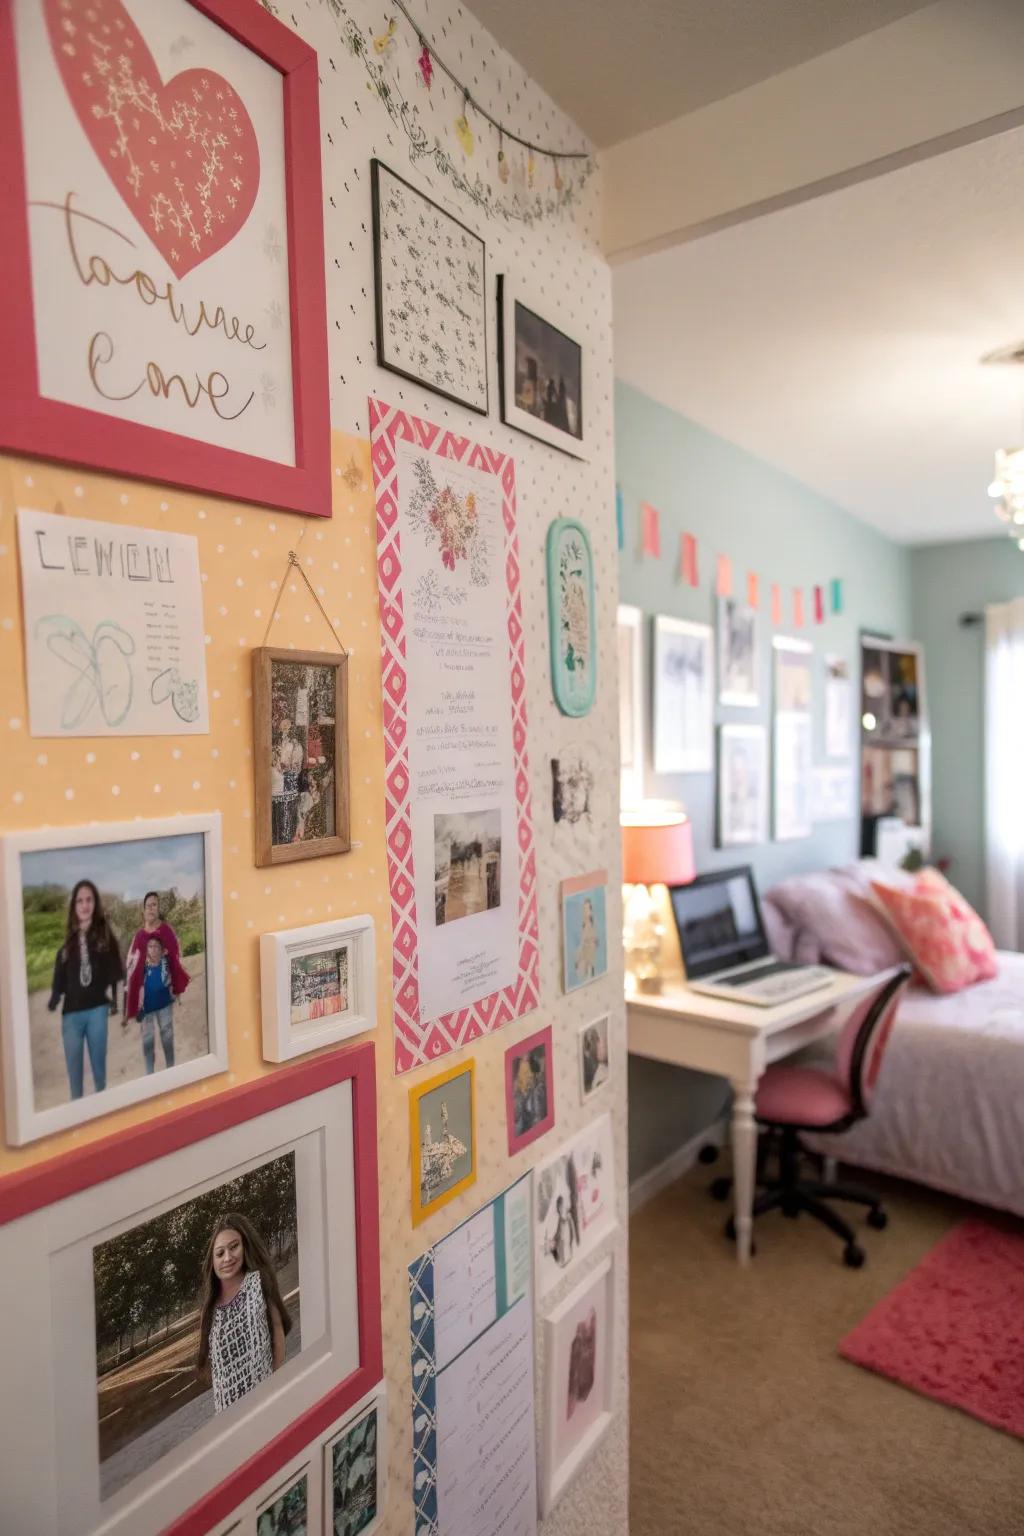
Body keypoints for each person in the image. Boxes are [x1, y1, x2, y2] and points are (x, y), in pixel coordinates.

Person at [196, 1212, 292, 1414]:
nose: (228, 1258)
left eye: (234, 1247)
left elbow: (277, 1330)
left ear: (245, 1246)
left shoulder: (258, 1282)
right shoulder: (210, 1309)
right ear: (212, 1262)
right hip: (228, 1412)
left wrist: (275, 1382)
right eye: (220, 1253)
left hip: (265, 1399)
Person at [47, 878, 124, 1100]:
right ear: (74, 906)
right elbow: (60, 972)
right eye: (79, 900)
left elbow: (114, 967)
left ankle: (100, 1108)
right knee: (75, 1075)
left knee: (99, 1071)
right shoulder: (67, 944)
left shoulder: (104, 936)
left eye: (89, 899)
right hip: (71, 1016)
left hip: (97, 1012)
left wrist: (115, 998)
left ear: (95, 903)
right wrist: (54, 996)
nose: (84, 904)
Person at [124, 890, 191, 1026]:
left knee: (166, 1033)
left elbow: (175, 958)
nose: (151, 908)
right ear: (144, 910)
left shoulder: (166, 931)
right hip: (145, 998)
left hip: (164, 994)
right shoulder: (139, 935)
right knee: (147, 1038)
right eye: (148, 906)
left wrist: (175, 988)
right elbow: (131, 962)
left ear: (158, 908)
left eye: (154, 905)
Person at [134, 934, 178, 1073]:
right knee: (148, 1041)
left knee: (167, 1037)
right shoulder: (142, 966)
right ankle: (149, 1073)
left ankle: (171, 1067)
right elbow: (136, 985)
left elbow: (176, 979)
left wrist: (174, 992)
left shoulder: (167, 963)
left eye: (156, 947)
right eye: (150, 947)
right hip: (147, 1009)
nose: (152, 949)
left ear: (161, 949)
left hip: (164, 1006)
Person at [272, 717, 305, 845]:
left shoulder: (295, 744)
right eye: (282, 723)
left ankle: (286, 839)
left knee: (286, 814)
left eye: (287, 723)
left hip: (288, 784)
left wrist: (288, 767)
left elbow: (297, 766)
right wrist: (276, 764)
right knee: (275, 816)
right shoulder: (276, 742)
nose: (284, 726)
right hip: (276, 783)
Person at [574, 896, 599, 982]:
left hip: (588, 958)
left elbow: (594, 942)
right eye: (584, 909)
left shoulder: (591, 926)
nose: (585, 911)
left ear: (590, 911)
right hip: (583, 956)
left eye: (587, 909)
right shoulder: (583, 925)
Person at [550, 1194, 575, 1268]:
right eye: (558, 1208)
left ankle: (559, 1259)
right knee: (553, 1246)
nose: (559, 1210)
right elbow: (558, 1233)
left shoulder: (567, 1218)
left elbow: (570, 1235)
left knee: (555, 1248)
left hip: (565, 1252)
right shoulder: (561, 1220)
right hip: (563, 1249)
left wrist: (555, 1240)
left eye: (561, 1207)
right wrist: (554, 1239)